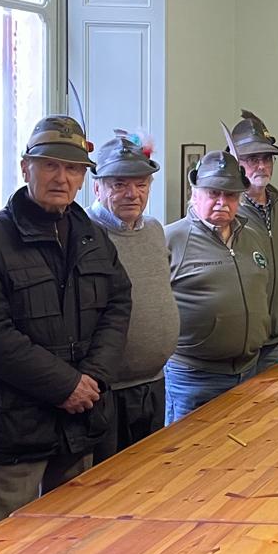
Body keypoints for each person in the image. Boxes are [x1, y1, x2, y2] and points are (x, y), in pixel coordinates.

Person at [0, 115, 132, 520]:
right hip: (14, 425)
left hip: (81, 420)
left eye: (73, 169)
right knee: (15, 549)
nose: (62, 178)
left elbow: (118, 305)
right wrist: (66, 384)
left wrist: (93, 378)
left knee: (72, 541)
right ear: (25, 167)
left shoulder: (93, 237)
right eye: (50, 165)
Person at [86, 129, 178, 459]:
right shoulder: (85, 234)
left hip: (153, 383)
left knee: (147, 477)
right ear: (97, 186)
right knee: (107, 486)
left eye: (141, 184)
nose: (132, 194)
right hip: (106, 392)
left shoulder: (154, 230)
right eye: (119, 184)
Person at [164, 149, 272, 423]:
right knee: (186, 459)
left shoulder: (252, 236)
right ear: (195, 193)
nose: (222, 202)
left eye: (231, 195)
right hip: (193, 379)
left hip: (249, 371)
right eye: (214, 193)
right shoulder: (170, 240)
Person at [230, 110, 278, 373]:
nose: (261, 166)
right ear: (235, 161)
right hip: (242, 340)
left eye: (267, 158)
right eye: (252, 159)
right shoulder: (228, 212)